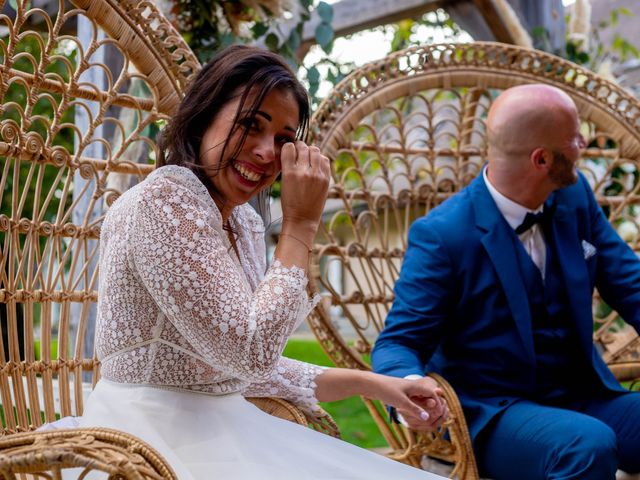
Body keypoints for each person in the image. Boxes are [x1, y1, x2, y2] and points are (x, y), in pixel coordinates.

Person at [71, 45, 449, 480]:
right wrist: (301, 225)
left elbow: (245, 370)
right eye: (251, 125)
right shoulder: (164, 202)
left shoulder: (244, 224)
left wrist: (378, 384)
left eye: (285, 140)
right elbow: (248, 355)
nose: (268, 152)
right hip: (148, 441)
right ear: (204, 115)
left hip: (221, 426)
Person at [372, 84, 640, 480]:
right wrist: (410, 387)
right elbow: (399, 341)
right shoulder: (443, 235)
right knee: (586, 446)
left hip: (582, 394)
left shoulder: (574, 196)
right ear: (542, 159)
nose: (584, 144)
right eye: (575, 139)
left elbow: (628, 281)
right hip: (495, 413)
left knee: (591, 433)